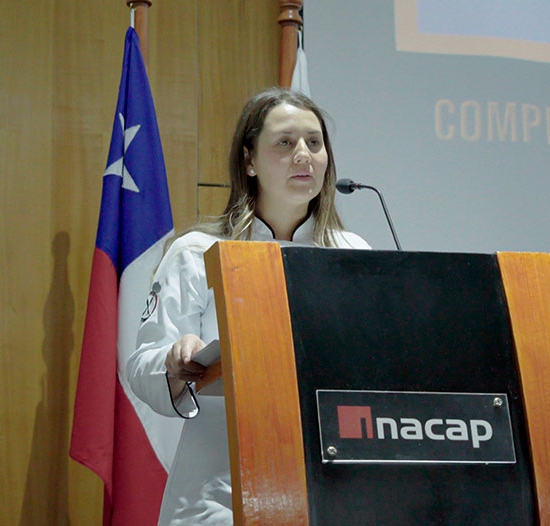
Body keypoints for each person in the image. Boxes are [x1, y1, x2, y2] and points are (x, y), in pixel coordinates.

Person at [126, 87, 370, 526]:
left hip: (330, 494)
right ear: (249, 161)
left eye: (315, 143)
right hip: (218, 498)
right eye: (285, 142)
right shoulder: (197, 251)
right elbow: (141, 366)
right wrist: (174, 362)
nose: (304, 155)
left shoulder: (353, 254)